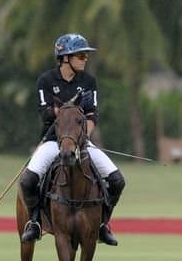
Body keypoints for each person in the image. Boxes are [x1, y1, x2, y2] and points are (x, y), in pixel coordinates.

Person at [17, 33, 125, 246]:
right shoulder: (46, 80)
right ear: (65, 58)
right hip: (52, 141)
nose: (85, 59)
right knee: (28, 180)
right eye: (81, 55)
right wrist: (68, 108)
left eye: (86, 56)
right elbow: (45, 114)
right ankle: (35, 222)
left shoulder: (88, 81)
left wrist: (82, 137)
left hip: (81, 142)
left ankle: (103, 225)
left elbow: (92, 115)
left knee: (117, 180)